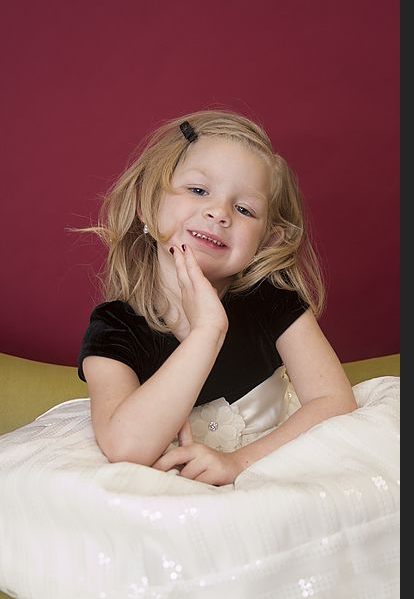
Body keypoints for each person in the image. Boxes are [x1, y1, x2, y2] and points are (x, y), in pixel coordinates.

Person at [77, 109, 357, 487]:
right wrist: (207, 331)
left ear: (267, 241)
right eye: (198, 190)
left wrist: (237, 463)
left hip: (269, 475)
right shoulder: (115, 327)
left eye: (244, 209)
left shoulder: (272, 300)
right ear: (146, 202)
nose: (219, 213)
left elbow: (335, 402)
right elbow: (126, 447)